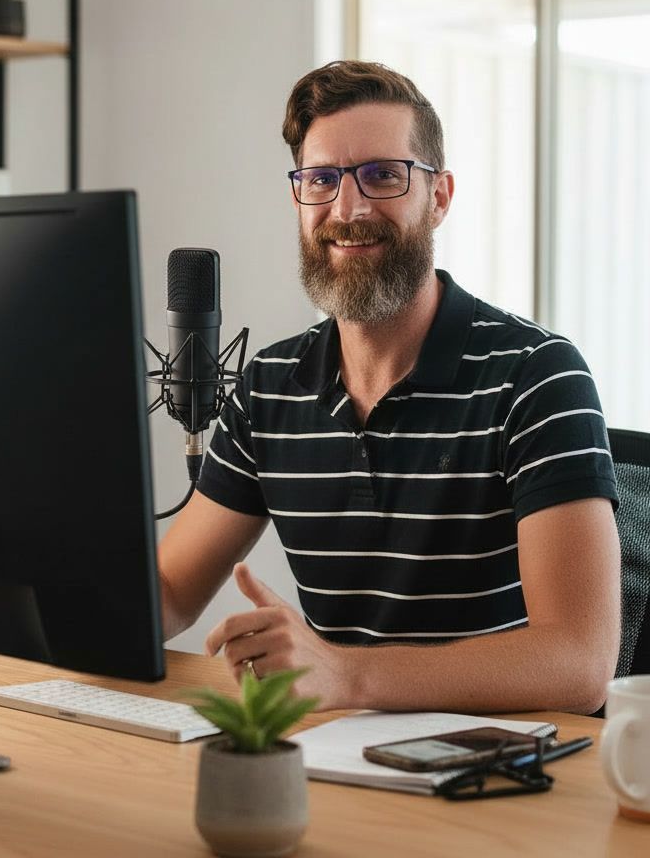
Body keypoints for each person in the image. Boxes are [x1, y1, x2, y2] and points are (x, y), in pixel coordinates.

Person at [158, 60, 620, 715]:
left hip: (504, 773)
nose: (347, 209)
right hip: (339, 758)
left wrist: (346, 675)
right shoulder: (269, 390)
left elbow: (579, 664)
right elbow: (170, 592)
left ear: (439, 196)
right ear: (299, 198)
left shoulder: (537, 376)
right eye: (321, 180)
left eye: (382, 175)